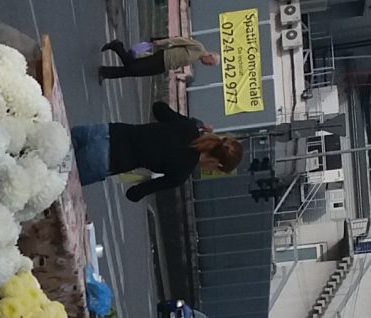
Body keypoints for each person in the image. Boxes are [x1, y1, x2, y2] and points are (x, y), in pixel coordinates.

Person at [69, 102, 244, 201]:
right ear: (217, 164)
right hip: (107, 159)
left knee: (54, 141)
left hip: (106, 131)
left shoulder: (189, 127)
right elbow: (134, 194)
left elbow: (158, 107)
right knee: (58, 180)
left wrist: (192, 123)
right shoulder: (181, 173)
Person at [100, 36, 218, 79]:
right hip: (161, 58)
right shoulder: (199, 47)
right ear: (210, 56)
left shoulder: (196, 58)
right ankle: (117, 46)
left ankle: (105, 72)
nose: (207, 65)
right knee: (132, 67)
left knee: (133, 71)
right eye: (210, 63)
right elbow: (180, 40)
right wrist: (162, 42)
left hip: (163, 67)